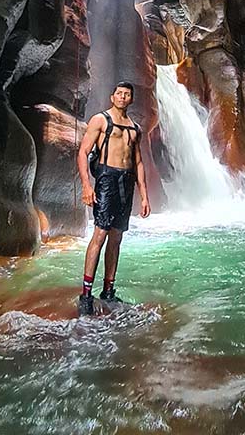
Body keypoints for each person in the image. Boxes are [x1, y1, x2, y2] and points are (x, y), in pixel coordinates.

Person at [77, 81, 151, 315]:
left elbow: (138, 162)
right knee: (100, 234)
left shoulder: (135, 128)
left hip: (126, 182)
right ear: (112, 97)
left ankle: (108, 290)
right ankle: (86, 294)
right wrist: (87, 186)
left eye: (127, 94)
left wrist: (144, 196)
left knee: (116, 236)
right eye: (119, 93)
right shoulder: (100, 120)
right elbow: (83, 152)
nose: (122, 97)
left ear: (131, 99)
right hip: (107, 179)